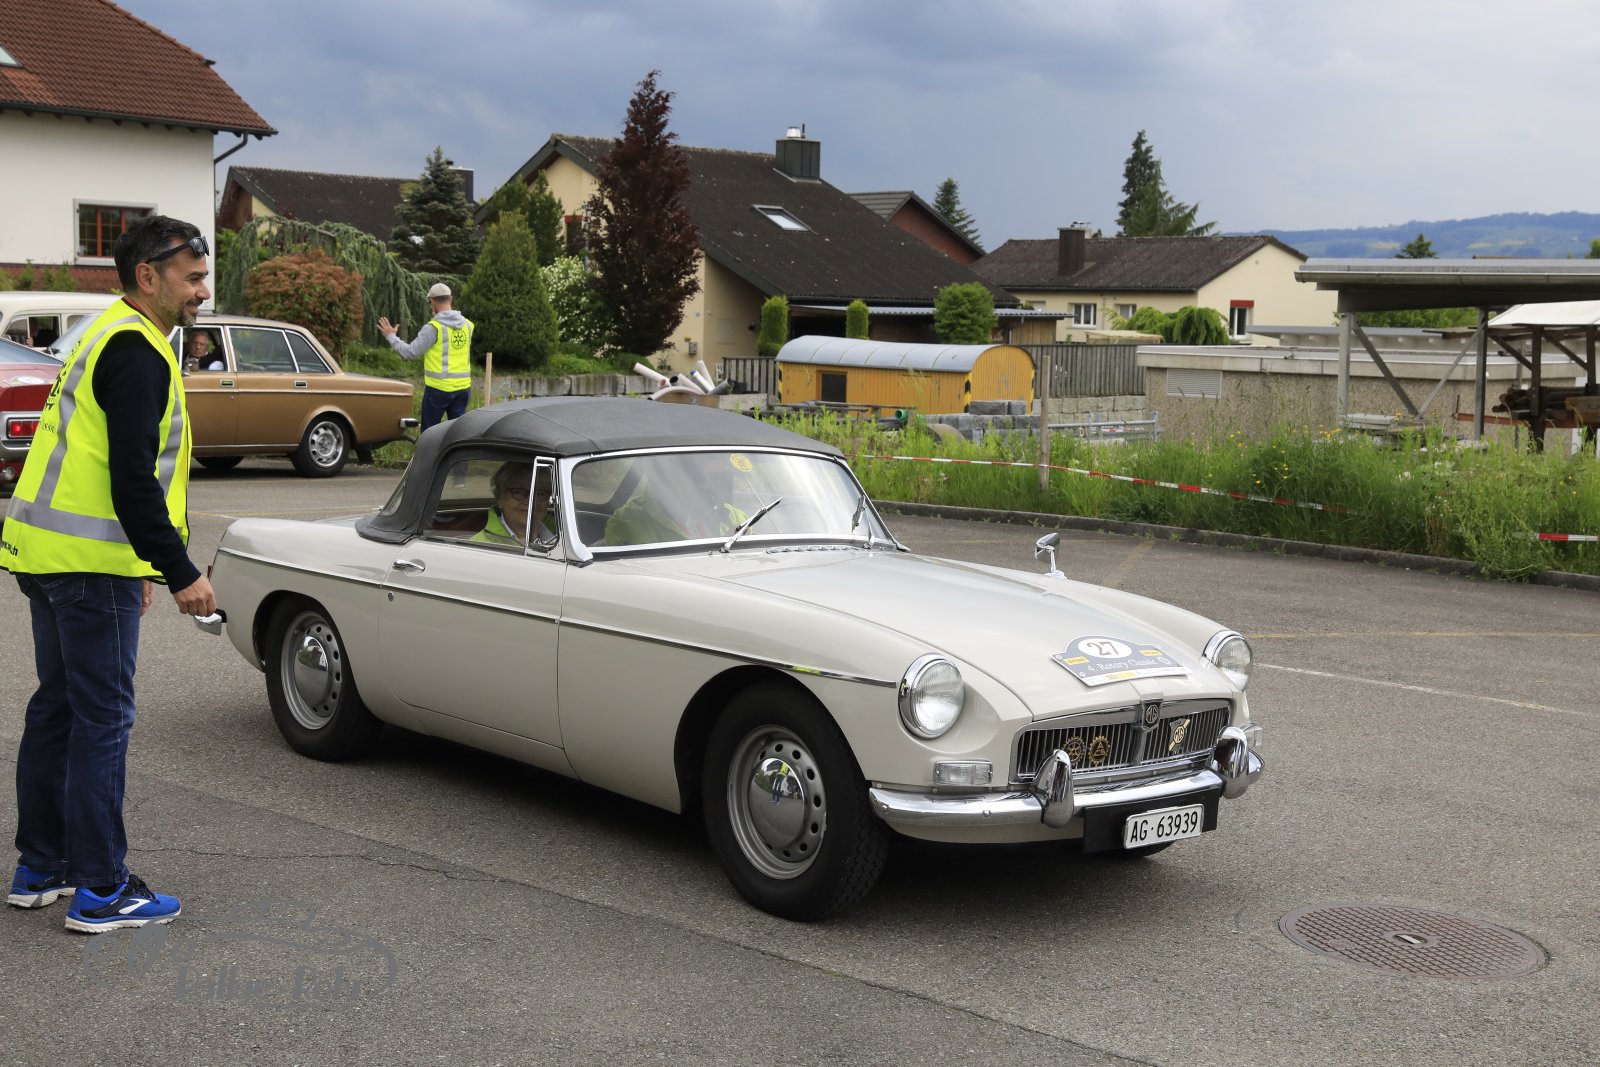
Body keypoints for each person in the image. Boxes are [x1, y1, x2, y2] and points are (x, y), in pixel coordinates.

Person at [2, 214, 216, 933]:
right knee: (102, 719)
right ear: (148, 276)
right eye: (192, 278)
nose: (202, 291)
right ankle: (101, 888)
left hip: (52, 557)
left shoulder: (104, 332)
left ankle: (43, 866)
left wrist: (141, 566)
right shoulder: (136, 352)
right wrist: (179, 570)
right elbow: (132, 481)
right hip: (88, 568)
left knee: (60, 707)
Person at [377, 282, 473, 431]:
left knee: (429, 433)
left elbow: (410, 353)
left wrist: (391, 336)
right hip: (463, 389)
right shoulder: (468, 325)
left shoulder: (433, 328)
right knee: (457, 433)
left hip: (438, 390)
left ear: (432, 302)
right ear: (451, 299)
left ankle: (430, 448)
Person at [471, 461, 553, 548]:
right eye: (518, 492)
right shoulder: (478, 546)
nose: (530, 501)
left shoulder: (561, 531)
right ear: (500, 497)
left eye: (540, 494)